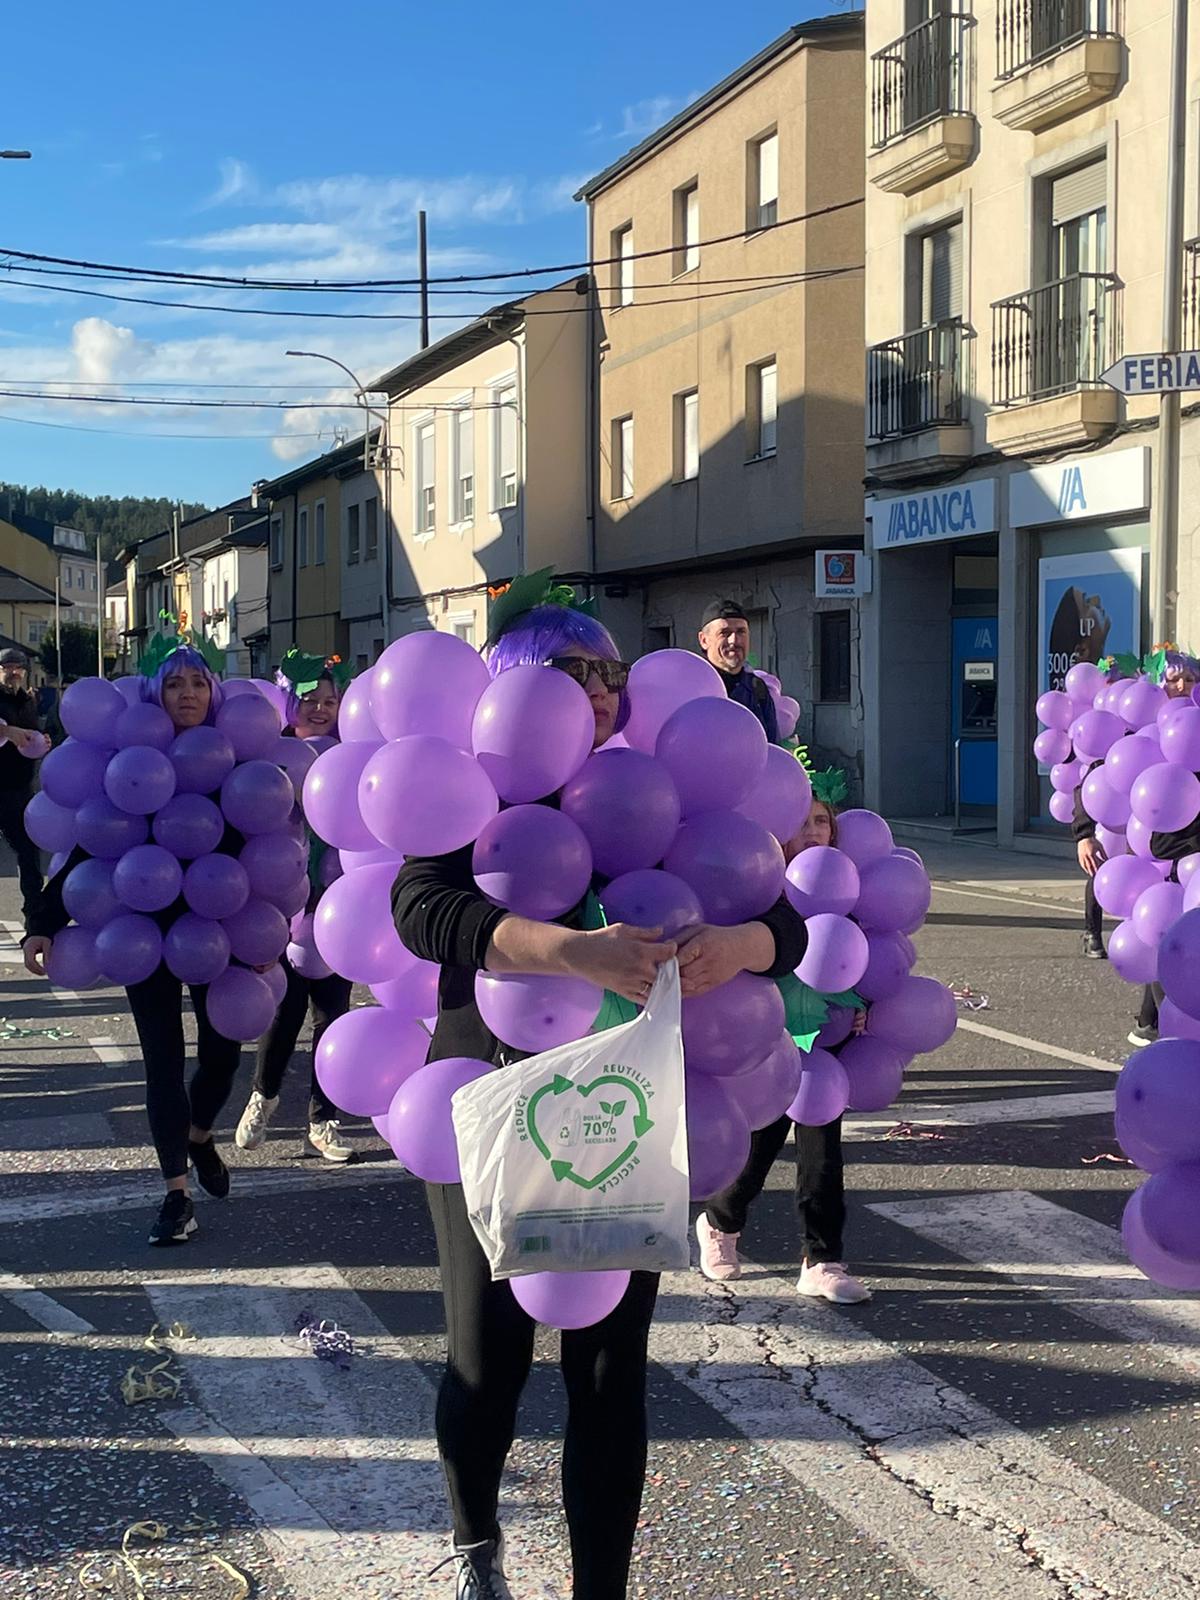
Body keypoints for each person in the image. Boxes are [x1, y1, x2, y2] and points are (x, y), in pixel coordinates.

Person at [391, 576, 807, 1600]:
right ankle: (475, 1542)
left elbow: (783, 921)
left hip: (623, 1103)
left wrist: (738, 941)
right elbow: (420, 907)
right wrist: (570, 952)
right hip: (490, 1092)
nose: (604, 691)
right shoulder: (479, 787)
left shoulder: (650, 788)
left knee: (611, 1370)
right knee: (488, 1360)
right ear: (515, 683)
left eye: (615, 674)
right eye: (579, 672)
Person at [22, 639, 248, 1246]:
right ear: (156, 695)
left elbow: (263, 846)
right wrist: (41, 921)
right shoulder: (131, 757)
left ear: (213, 692)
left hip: (216, 928)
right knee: (163, 1064)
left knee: (224, 1057)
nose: (188, 695)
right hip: (140, 928)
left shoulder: (231, 757)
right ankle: (175, 1194)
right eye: (175, 685)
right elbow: (88, 845)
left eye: (198, 683)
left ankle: (198, 1138)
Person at [695, 786, 871, 1306]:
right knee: (761, 1142)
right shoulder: (760, 887)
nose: (813, 831)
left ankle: (822, 1259)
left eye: (822, 821)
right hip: (765, 1037)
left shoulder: (847, 891)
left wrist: (864, 1006)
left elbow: (862, 959)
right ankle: (720, 1221)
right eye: (802, 822)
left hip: (823, 1041)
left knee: (822, 1148)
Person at [236, 651, 355, 1162]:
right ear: (289, 704)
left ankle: (323, 1120)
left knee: (333, 1015)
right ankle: (263, 1096)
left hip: (341, 902)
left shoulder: (350, 756)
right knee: (283, 1011)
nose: (323, 708)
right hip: (283, 905)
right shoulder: (269, 759)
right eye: (311, 699)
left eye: (331, 699)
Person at [1129, 647, 1200, 1046]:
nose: (1182, 686)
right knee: (1166, 937)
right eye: (1174, 679)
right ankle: (1168, 1027)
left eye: (1189, 679)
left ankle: (1150, 1021)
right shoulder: (1149, 733)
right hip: (1165, 861)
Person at [0, 646, 49, 919]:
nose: (14, 672)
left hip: (19, 789)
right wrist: (7, 730)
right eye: (7, 667)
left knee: (28, 851)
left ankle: (34, 911)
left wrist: (43, 741)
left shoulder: (28, 700)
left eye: (18, 668)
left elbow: (33, 733)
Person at [697, 598, 779, 743]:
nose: (734, 641)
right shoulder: (692, 687)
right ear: (704, 640)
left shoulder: (757, 688)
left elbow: (772, 748)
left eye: (741, 632)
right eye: (724, 633)